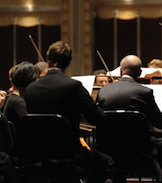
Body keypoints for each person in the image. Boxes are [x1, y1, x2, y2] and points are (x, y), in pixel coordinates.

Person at [24, 41, 114, 183]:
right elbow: (98, 118)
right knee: (107, 163)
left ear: (47, 59)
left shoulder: (30, 89)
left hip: (39, 154)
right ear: (68, 62)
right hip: (69, 155)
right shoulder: (73, 86)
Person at [98, 55, 162, 183]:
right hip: (140, 152)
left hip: (110, 150)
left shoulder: (103, 91)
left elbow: (98, 119)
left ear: (121, 71)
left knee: (119, 155)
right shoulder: (144, 92)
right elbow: (160, 124)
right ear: (140, 73)